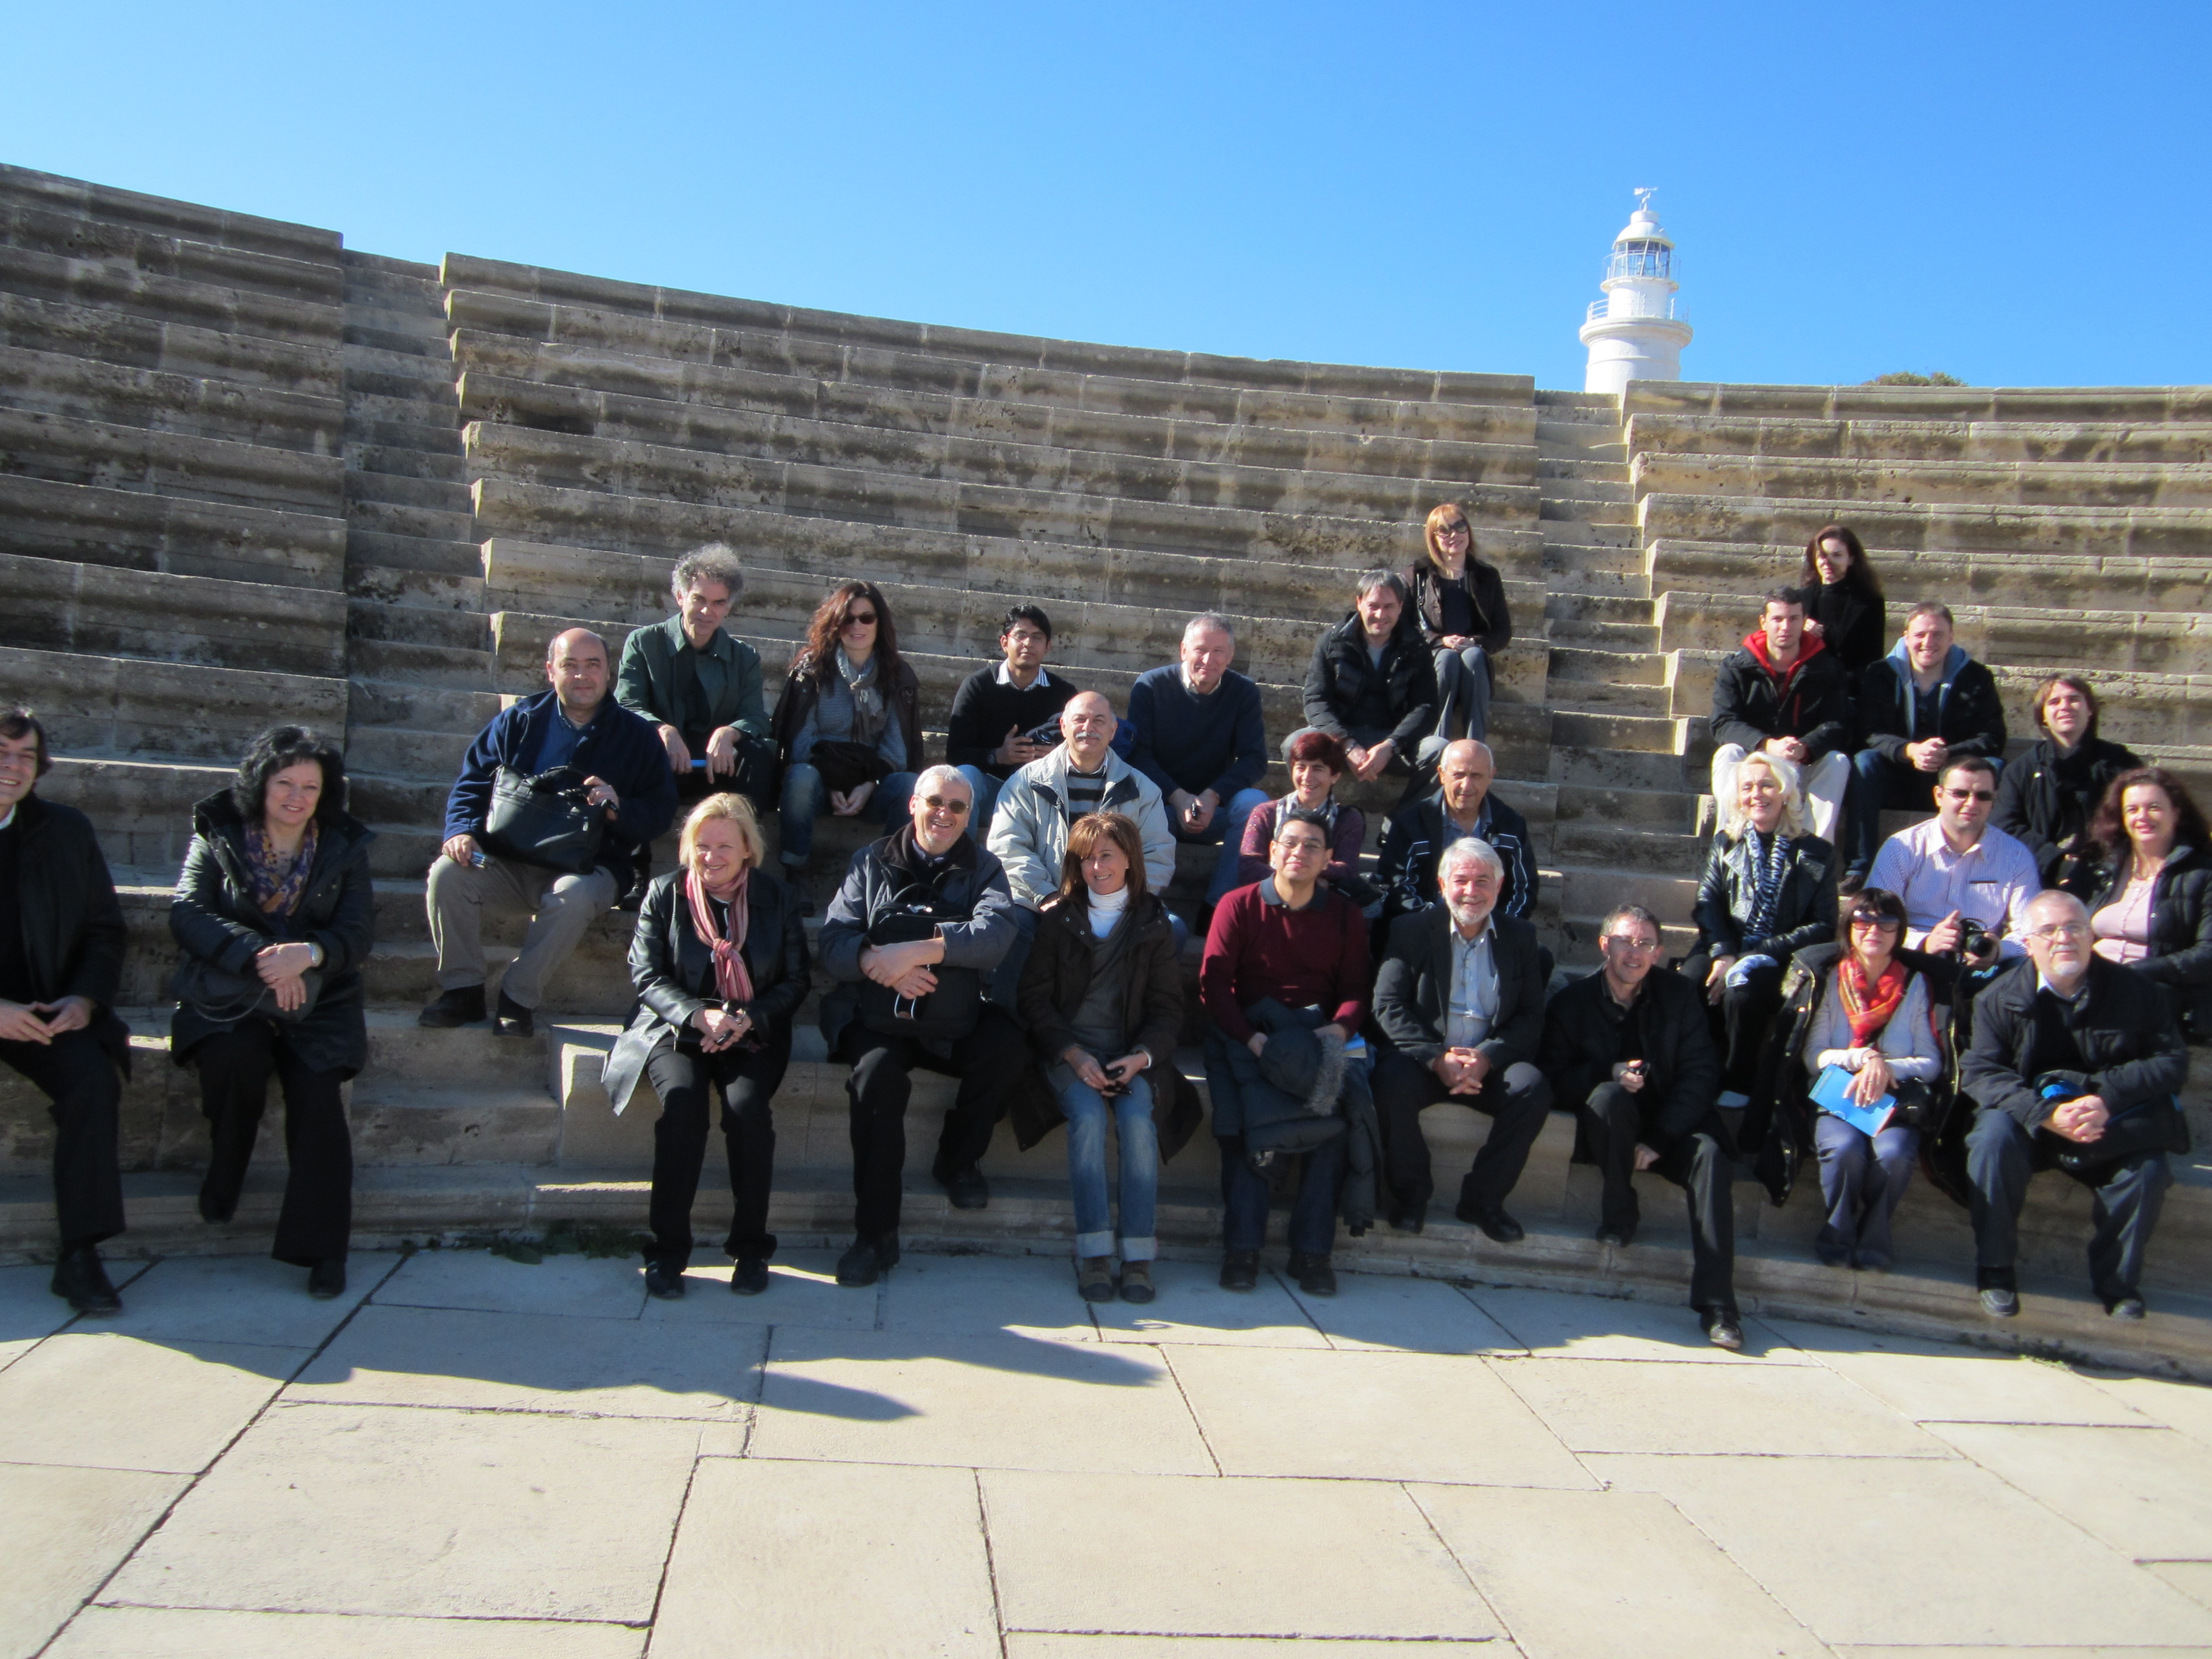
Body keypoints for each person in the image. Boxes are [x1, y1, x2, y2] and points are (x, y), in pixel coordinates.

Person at [170, 727, 374, 1300]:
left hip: (319, 997)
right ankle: (227, 1164)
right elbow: (188, 912)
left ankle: (323, 1251)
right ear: (261, 784)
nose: (296, 797)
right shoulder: (218, 833)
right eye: (285, 783)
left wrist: (307, 955)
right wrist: (262, 958)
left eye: (310, 787)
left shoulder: (343, 845)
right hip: (232, 989)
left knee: (317, 1096)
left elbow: (357, 932)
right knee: (233, 1059)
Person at [818, 766, 1027, 1286]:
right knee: (876, 1079)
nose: (944, 814)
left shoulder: (985, 867)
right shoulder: (870, 861)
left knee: (1008, 1046)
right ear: (913, 804)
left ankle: (958, 1160)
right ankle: (875, 1236)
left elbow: (996, 935)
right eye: (935, 802)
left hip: (950, 1017)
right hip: (878, 1016)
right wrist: (878, 963)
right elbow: (833, 942)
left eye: (958, 807)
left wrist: (918, 951)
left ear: (969, 816)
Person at [601, 794, 809, 1300]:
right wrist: (698, 1015)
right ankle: (667, 1252)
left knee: (747, 1112)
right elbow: (646, 974)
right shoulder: (664, 893)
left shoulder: (777, 897)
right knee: (683, 1109)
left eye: (723, 846)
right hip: (676, 1027)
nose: (710, 856)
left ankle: (751, 1248)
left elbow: (796, 980)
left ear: (747, 850)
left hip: (750, 1028)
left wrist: (747, 1018)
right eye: (701, 845)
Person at [420, 628, 676, 1037]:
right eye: (569, 665)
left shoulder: (638, 736)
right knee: (447, 874)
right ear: (550, 671)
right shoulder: (519, 721)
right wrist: (461, 831)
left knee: (571, 898)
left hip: (591, 867)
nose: (582, 676)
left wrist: (619, 808)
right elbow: (473, 782)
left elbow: (661, 812)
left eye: (592, 665)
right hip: (508, 858)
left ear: (608, 673)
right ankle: (462, 990)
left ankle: (517, 999)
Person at [1960, 890, 2188, 1321]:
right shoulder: (1997, 997)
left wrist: (2106, 1099)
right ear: (2028, 943)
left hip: (2108, 1120)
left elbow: (2171, 1062)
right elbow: (1981, 1072)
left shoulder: (2137, 991)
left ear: (2091, 935)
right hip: (2032, 1121)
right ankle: (1995, 1269)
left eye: (2074, 928)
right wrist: (2044, 1114)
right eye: (2049, 930)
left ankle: (2117, 1285)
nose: (2063, 938)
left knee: (2148, 1170)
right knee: (1990, 1140)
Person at [1017, 812, 1202, 1305]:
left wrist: (1141, 1057)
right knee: (1088, 1118)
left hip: (1128, 1056)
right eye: (1086, 858)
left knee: (1138, 1120)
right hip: (1070, 1053)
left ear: (1129, 860)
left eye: (1106, 856)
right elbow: (1034, 999)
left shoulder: (1154, 922)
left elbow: (1168, 1010)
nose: (1096, 867)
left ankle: (1138, 1257)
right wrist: (1073, 1054)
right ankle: (1095, 1253)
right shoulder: (1058, 919)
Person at [1538, 904, 1742, 1349]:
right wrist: (1606, 1073)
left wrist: (1659, 1139)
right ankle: (1620, 1213)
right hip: (1609, 1129)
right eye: (1624, 942)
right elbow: (1552, 1079)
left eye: (1645, 944)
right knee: (1608, 1097)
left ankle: (1719, 1306)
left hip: (1672, 1126)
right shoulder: (1572, 1003)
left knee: (1711, 1157)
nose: (1635, 953)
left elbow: (1701, 1073)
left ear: (1659, 952)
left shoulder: (1679, 995)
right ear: (1604, 945)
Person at [1201, 807, 1374, 1296]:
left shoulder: (1345, 915)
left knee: (1338, 1121)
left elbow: (1357, 990)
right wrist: (1251, 1039)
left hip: (1321, 1035)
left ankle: (1313, 1253)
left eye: (1312, 846)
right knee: (1247, 1125)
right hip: (1249, 1032)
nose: (1300, 853)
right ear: (1273, 852)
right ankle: (1243, 1250)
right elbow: (1215, 986)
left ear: (1329, 859)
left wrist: (1338, 1031)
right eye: (1290, 844)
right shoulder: (1237, 905)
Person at [0, 710, 131, 1314]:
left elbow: (104, 930)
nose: (13, 766)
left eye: (26, 756)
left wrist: (84, 998)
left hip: (43, 1008)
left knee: (91, 1081)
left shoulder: (65, 831)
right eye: (2, 752)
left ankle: (81, 1253)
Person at [1371, 838, 1552, 1238]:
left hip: (1488, 1065)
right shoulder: (1410, 930)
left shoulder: (1520, 936)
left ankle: (1482, 1202)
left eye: (1483, 881)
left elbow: (1530, 1016)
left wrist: (1487, 1058)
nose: (1471, 891)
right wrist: (1437, 1059)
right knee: (1389, 1081)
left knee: (1533, 1089)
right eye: (1461, 880)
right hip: (1425, 1060)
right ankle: (1411, 1196)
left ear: (1499, 886)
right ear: (1442, 884)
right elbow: (1387, 1005)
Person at [1766, 886, 1946, 1271]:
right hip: (1839, 1095)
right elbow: (1814, 1057)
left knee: (1894, 1154)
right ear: (1849, 928)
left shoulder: (1915, 984)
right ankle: (1837, 1233)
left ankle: (1875, 1235)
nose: (1874, 930)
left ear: (1900, 931)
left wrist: (1886, 1069)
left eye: (1887, 922)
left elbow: (1931, 1062)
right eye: (1863, 921)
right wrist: (1863, 1058)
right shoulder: (1831, 979)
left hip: (1893, 1099)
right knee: (1844, 1149)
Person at [986, 690, 1174, 1003]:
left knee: (1173, 929)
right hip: (1041, 900)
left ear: (1113, 730)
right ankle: (1009, 1021)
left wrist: (1121, 902)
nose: (1089, 727)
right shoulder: (1024, 782)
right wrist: (1046, 895)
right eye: (1080, 720)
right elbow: (1007, 847)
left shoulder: (1143, 790)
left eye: (1099, 720)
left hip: (1116, 902)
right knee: (1014, 924)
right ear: (1063, 726)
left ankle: (1128, 1022)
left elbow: (1158, 855)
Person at [1683, 751, 1839, 1109]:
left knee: (1742, 993)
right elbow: (1707, 902)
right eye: (1747, 787)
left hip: (1779, 956)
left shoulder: (1817, 852)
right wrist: (1724, 953)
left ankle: (1738, 1079)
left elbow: (1824, 925)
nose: (1757, 794)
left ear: (1785, 793)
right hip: (1724, 944)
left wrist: (1755, 954)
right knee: (1687, 983)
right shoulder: (1726, 842)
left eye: (1767, 785)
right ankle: (1691, 1072)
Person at [768, 580, 923, 914]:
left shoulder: (897, 675)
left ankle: (890, 878)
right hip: (820, 785)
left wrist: (869, 785)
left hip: (871, 787)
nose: (857, 626)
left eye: (866, 618)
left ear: (879, 623)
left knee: (909, 786)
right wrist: (833, 782)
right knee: (800, 777)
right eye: (847, 619)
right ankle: (796, 871)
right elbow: (800, 741)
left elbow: (897, 751)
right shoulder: (812, 670)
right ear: (835, 624)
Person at [612, 544, 776, 843]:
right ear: (680, 596)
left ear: (728, 608)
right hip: (659, 764)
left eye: (718, 603)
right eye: (699, 599)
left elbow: (756, 716)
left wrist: (729, 733)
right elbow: (627, 704)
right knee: (628, 745)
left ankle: (747, 849)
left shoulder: (745, 657)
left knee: (759, 752)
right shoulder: (643, 643)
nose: (706, 611)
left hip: (717, 768)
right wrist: (663, 730)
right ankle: (632, 857)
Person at [1848, 603, 2007, 880]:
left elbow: (1992, 736)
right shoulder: (1880, 673)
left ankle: (1984, 862)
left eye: (1937, 634)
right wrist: (1909, 750)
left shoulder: (1976, 677)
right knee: (1865, 761)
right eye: (1920, 634)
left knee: (1993, 767)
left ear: (1951, 637)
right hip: (1897, 776)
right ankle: (1858, 868)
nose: (1928, 642)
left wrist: (1948, 754)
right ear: (1906, 636)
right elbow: (1869, 732)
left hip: (1953, 780)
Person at [1126, 613, 1271, 908]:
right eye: (1200, 650)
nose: (1208, 660)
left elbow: (1255, 758)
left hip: (1215, 811)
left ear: (1230, 656)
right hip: (1161, 809)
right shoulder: (1151, 686)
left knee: (1255, 803)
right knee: (1128, 805)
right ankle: (1142, 905)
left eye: (1218, 651)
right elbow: (1138, 755)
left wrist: (1213, 796)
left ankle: (1219, 906)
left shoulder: (1244, 692)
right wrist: (1177, 797)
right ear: (1183, 650)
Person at [1708, 589, 1851, 844]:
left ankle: (1815, 852)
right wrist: (1766, 745)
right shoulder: (1737, 667)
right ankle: (1730, 843)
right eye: (1778, 619)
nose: (1786, 627)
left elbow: (1837, 724)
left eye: (1794, 619)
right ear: (1764, 622)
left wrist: (1805, 748)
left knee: (1837, 762)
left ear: (1804, 621)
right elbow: (1723, 723)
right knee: (1727, 753)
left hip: (1801, 763)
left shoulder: (1827, 668)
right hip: (1754, 763)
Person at [2081, 767, 2212, 1041]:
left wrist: (2135, 971)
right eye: (2132, 810)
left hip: (2160, 992)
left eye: (2154, 807)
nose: (2142, 817)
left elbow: (2207, 955)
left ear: (2176, 813)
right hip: (2091, 979)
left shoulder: (2203, 874)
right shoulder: (2105, 869)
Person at [1866, 755, 2037, 962]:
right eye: (1960, 794)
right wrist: (1925, 942)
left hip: (1983, 965)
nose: (1971, 803)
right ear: (1939, 796)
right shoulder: (1902, 848)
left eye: (1983, 796)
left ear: (1994, 800)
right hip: (1912, 961)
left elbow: (2030, 932)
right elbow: (1877, 919)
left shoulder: (2016, 855)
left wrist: (1998, 950)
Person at [1993, 675, 2142, 893]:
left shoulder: (2121, 764)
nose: (2065, 707)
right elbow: (2004, 825)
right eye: (2054, 702)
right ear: (2043, 717)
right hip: (2040, 878)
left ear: (2090, 710)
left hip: (2110, 877)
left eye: (2074, 699)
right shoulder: (2021, 771)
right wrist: (2056, 860)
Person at [1301, 568, 1444, 786]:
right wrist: (1347, 744)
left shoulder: (1416, 647)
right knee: (1296, 744)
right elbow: (1316, 700)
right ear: (1359, 603)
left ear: (1401, 607)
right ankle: (1317, 806)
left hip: (1395, 742)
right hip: (1340, 740)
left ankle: (1411, 808)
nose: (1380, 615)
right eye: (1374, 606)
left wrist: (1391, 745)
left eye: (1389, 607)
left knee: (1439, 750)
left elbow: (1426, 706)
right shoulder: (1332, 641)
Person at [945, 604, 1079, 833]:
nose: (1028, 643)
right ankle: (960, 854)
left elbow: (1082, 752)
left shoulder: (1064, 693)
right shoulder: (978, 686)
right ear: (1005, 643)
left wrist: (1057, 755)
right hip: (991, 791)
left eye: (1037, 637)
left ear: (1048, 646)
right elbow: (956, 754)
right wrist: (998, 755)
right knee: (966, 776)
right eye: (1021, 635)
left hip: (1041, 794)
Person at [1375, 739, 1536, 926]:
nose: (1466, 786)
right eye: (1459, 775)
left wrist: (1497, 929)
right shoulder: (1410, 823)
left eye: (1476, 776)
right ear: (1442, 775)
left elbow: (1523, 889)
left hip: (1492, 933)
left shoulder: (1511, 825)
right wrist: (1440, 926)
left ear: (1491, 776)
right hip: (1423, 931)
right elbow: (1397, 887)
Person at [1406, 503, 1512, 744]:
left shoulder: (1487, 576)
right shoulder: (1417, 575)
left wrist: (1474, 642)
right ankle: (1436, 746)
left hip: (1472, 658)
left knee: (1474, 656)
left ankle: (1476, 748)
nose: (1453, 534)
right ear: (1433, 538)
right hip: (1433, 658)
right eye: (1443, 530)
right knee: (1447, 659)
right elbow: (1405, 627)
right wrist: (1440, 640)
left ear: (1468, 531)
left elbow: (1502, 631)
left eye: (1459, 526)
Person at [1234, 728, 1374, 905]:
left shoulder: (1348, 820)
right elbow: (1249, 866)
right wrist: (1303, 879)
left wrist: (1296, 869)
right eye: (1301, 767)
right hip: (1266, 902)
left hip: (1321, 908)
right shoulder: (1265, 813)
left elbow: (1347, 871)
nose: (1307, 777)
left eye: (1318, 768)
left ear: (1335, 776)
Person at [1793, 524, 1887, 683]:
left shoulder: (1870, 602)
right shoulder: (1799, 600)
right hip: (1804, 686)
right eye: (1822, 556)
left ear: (1851, 559)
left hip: (1848, 688)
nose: (1827, 562)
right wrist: (1799, 626)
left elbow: (1872, 660)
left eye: (1836, 555)